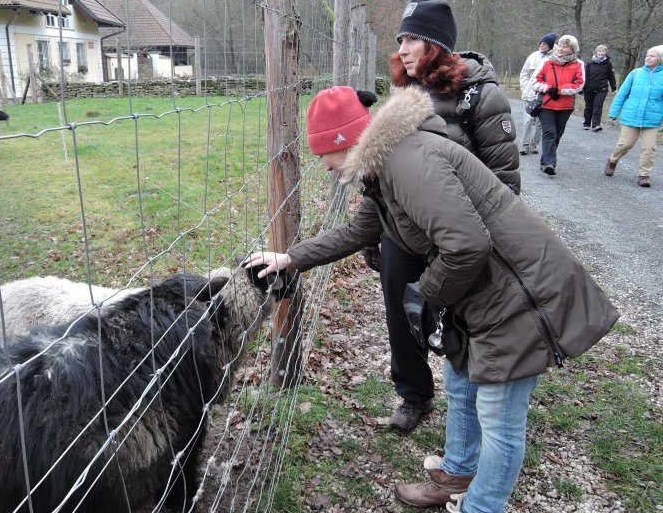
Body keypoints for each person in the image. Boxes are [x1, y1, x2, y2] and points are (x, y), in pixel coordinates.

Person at [246, 84, 618, 513]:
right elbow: (359, 231)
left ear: (343, 142)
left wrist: (426, 295)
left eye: (322, 155)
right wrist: (290, 258)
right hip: (483, 290)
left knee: (500, 418)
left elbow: (466, 245)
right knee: (461, 381)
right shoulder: (385, 165)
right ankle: (457, 474)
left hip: (519, 292)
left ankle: (481, 506)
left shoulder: (409, 163)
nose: (324, 166)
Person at [372, 0, 519, 432]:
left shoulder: (483, 97)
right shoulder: (405, 95)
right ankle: (414, 396)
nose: (403, 48)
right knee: (400, 312)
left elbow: (503, 183)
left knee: (461, 318)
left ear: (436, 44)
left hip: (457, 235)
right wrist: (375, 233)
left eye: (413, 38)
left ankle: (469, 407)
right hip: (403, 234)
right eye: (400, 38)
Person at [604, 45, 663, 188]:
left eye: (652, 56)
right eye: (647, 55)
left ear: (660, 59)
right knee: (625, 144)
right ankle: (613, 160)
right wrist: (613, 114)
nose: (648, 58)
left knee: (649, 148)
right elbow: (622, 94)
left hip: (652, 118)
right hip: (631, 115)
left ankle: (644, 175)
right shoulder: (635, 73)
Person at [531, 34, 585, 175]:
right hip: (546, 104)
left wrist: (560, 90)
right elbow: (535, 82)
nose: (561, 48)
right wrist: (548, 88)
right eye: (560, 45)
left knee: (557, 134)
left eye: (565, 46)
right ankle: (550, 163)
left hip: (565, 106)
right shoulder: (547, 62)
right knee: (550, 133)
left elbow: (579, 85)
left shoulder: (579, 64)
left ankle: (545, 160)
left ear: (572, 49)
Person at [518, 33, 556, 154]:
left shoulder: (555, 58)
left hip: (545, 95)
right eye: (541, 43)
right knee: (528, 119)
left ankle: (534, 144)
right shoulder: (533, 56)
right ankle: (525, 144)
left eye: (544, 44)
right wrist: (525, 87)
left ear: (550, 45)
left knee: (541, 122)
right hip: (530, 93)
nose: (541, 45)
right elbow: (524, 73)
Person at [582, 44, 617, 131]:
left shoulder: (608, 64)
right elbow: (584, 76)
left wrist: (614, 88)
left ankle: (596, 125)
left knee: (598, 106)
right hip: (588, 88)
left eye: (603, 51)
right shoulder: (590, 63)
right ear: (596, 52)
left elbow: (611, 77)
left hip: (602, 89)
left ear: (605, 53)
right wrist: (581, 88)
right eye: (599, 51)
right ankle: (586, 123)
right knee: (589, 106)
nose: (601, 53)